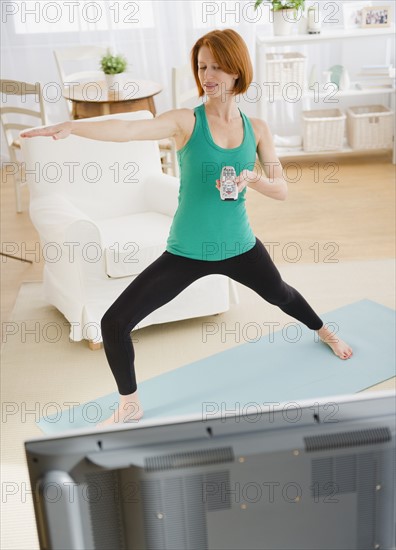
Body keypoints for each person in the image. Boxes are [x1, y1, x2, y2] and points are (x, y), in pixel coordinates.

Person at [21, 29, 353, 426]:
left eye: (217, 66)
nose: (207, 75)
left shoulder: (259, 129)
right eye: (201, 66)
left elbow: (281, 190)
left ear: (236, 71)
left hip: (240, 246)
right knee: (113, 322)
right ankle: (130, 402)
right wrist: (73, 128)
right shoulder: (185, 121)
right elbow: (128, 131)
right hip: (185, 253)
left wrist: (253, 179)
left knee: (281, 293)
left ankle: (324, 331)